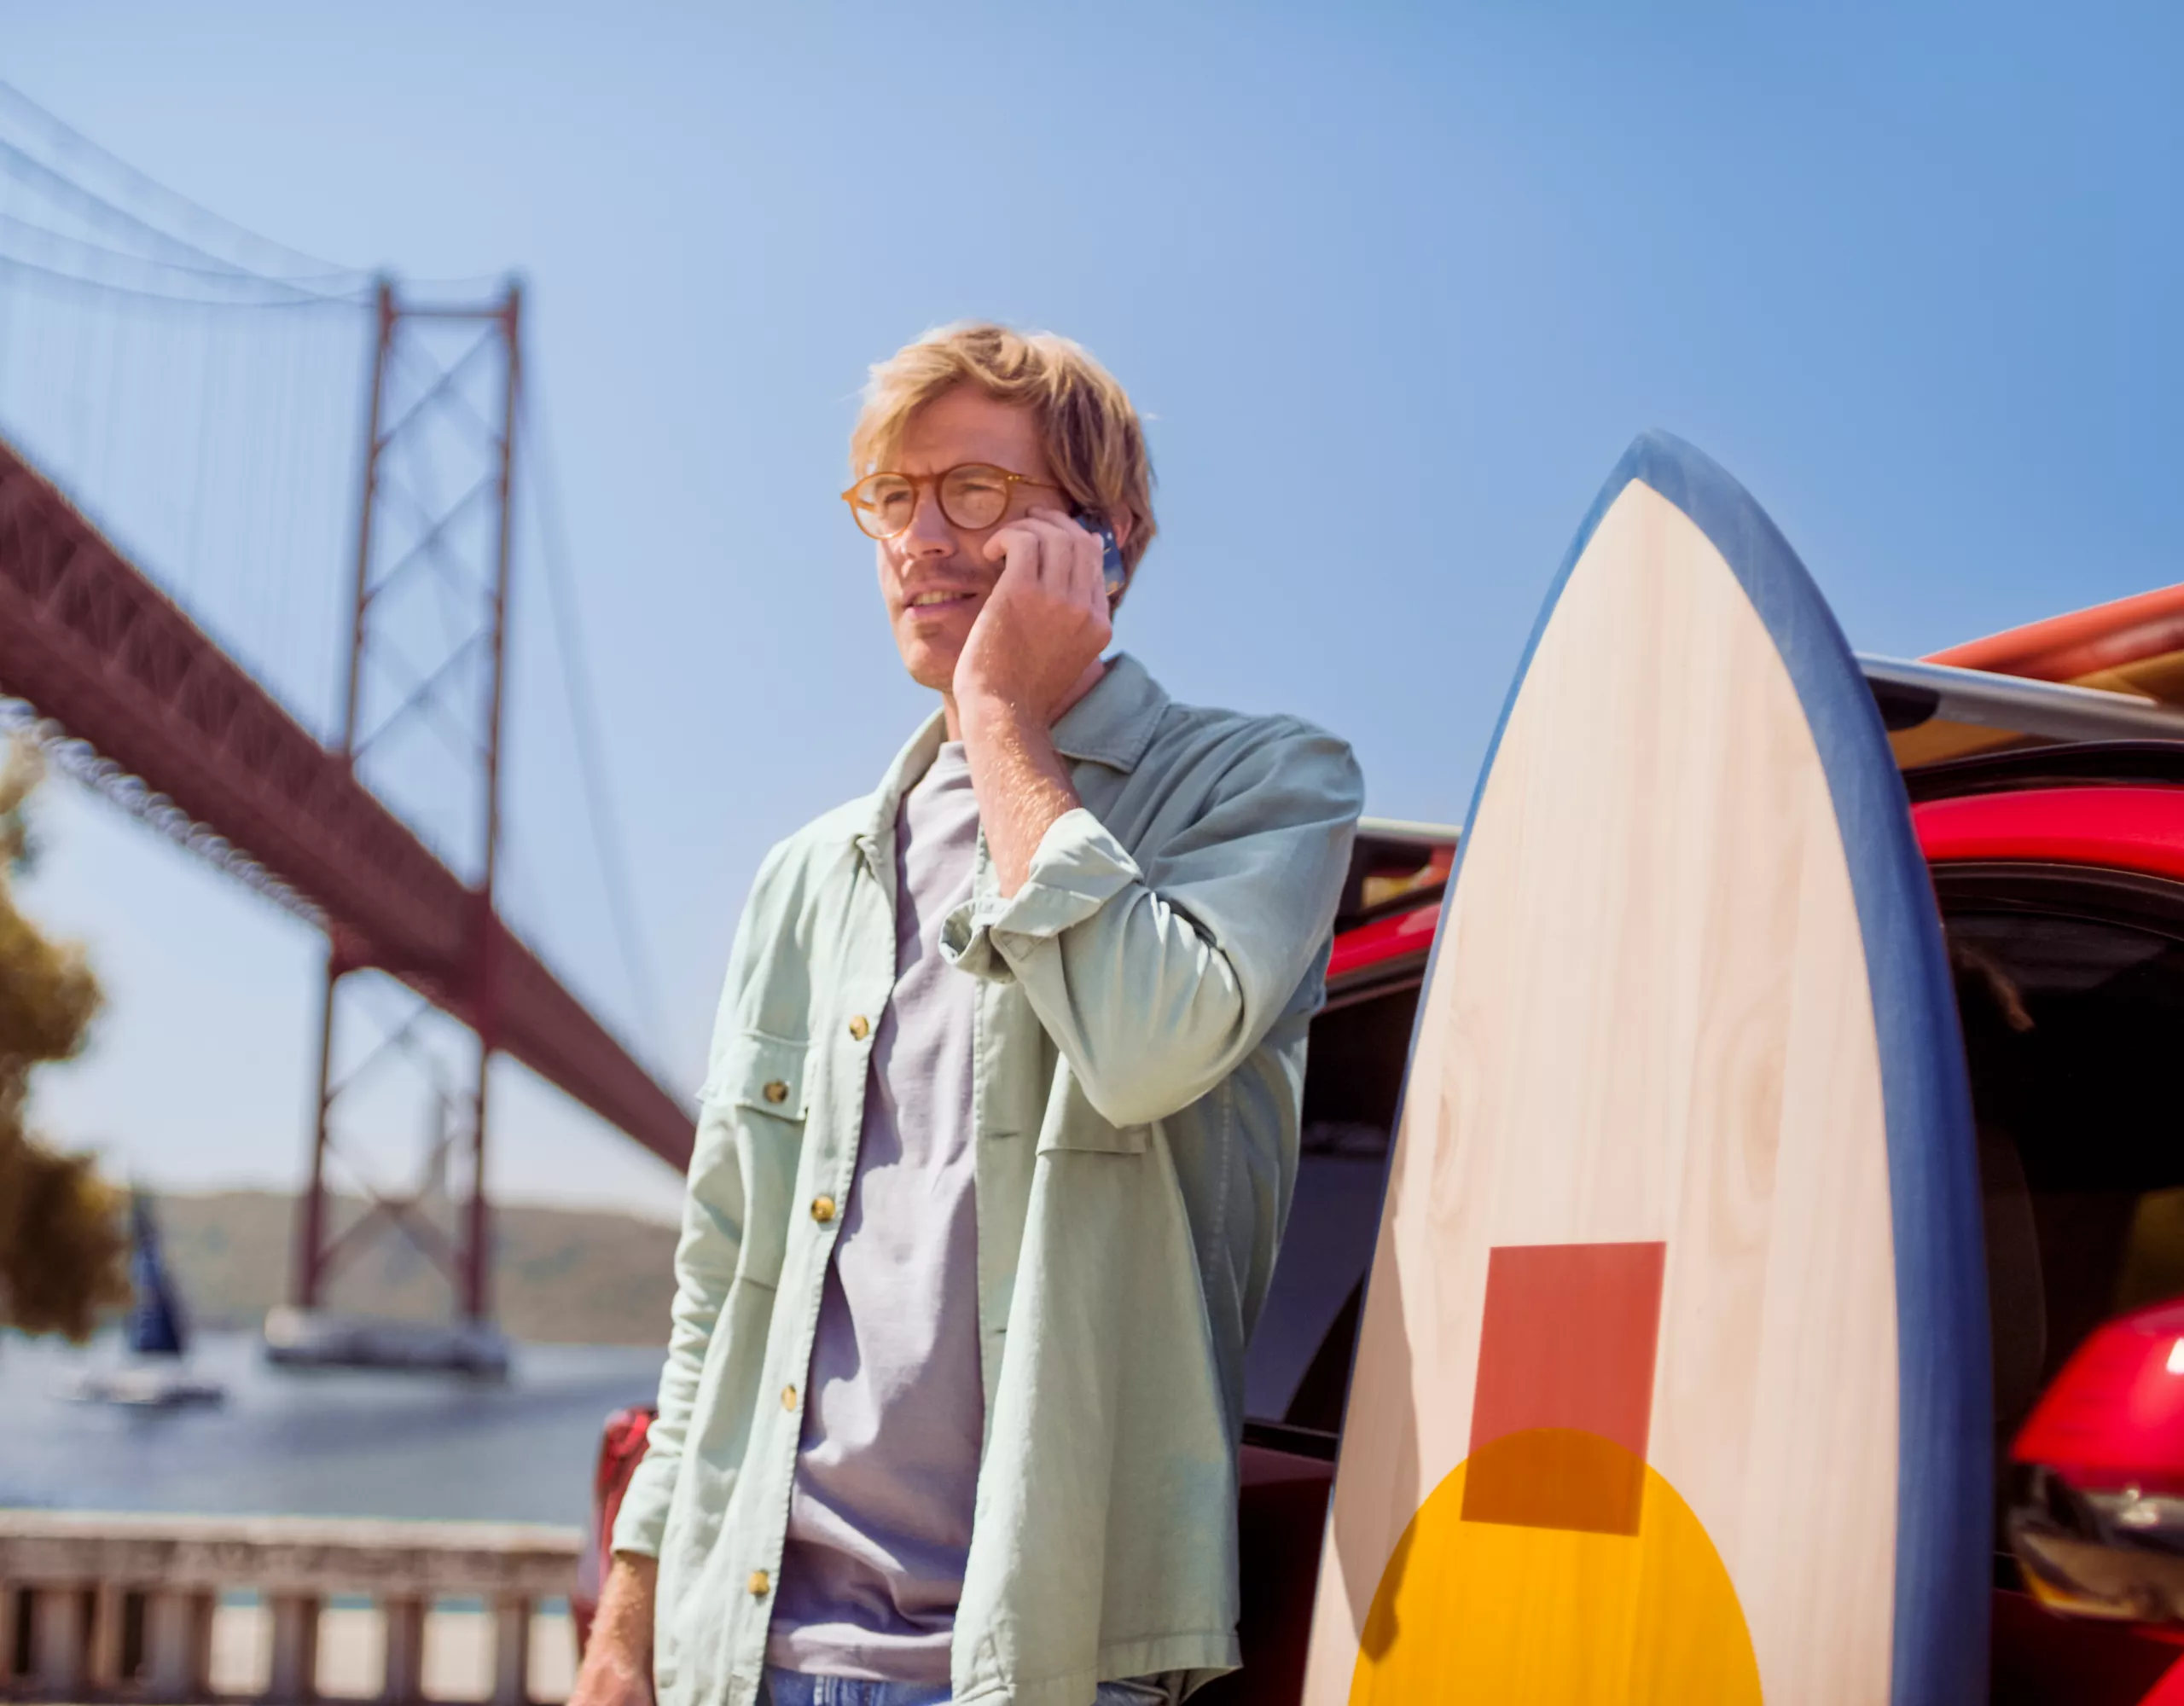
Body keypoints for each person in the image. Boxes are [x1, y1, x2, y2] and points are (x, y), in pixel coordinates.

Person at [571, 322, 1363, 1706]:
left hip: (1036, 1664)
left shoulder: (1265, 788)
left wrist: (1001, 708)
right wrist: (625, 1633)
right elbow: (722, 1277)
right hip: (738, 1656)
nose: (919, 538)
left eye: (975, 495)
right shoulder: (805, 880)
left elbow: (1145, 1042)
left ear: (1106, 541)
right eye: (893, 497)